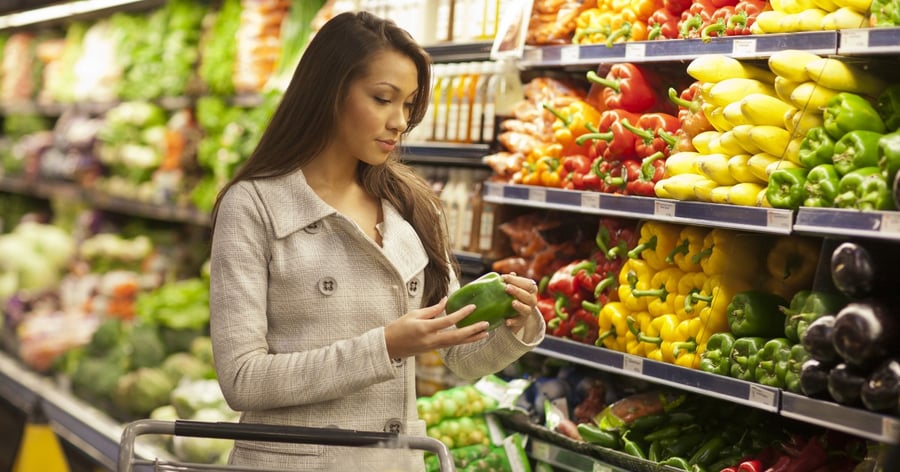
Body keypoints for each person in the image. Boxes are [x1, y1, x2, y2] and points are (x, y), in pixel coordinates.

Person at [208, 10, 545, 471]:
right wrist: (384, 346)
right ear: (329, 93)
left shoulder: (411, 204)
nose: (400, 122)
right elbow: (243, 379)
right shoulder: (255, 206)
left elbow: (459, 356)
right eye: (383, 99)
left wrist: (515, 324)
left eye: (408, 105)